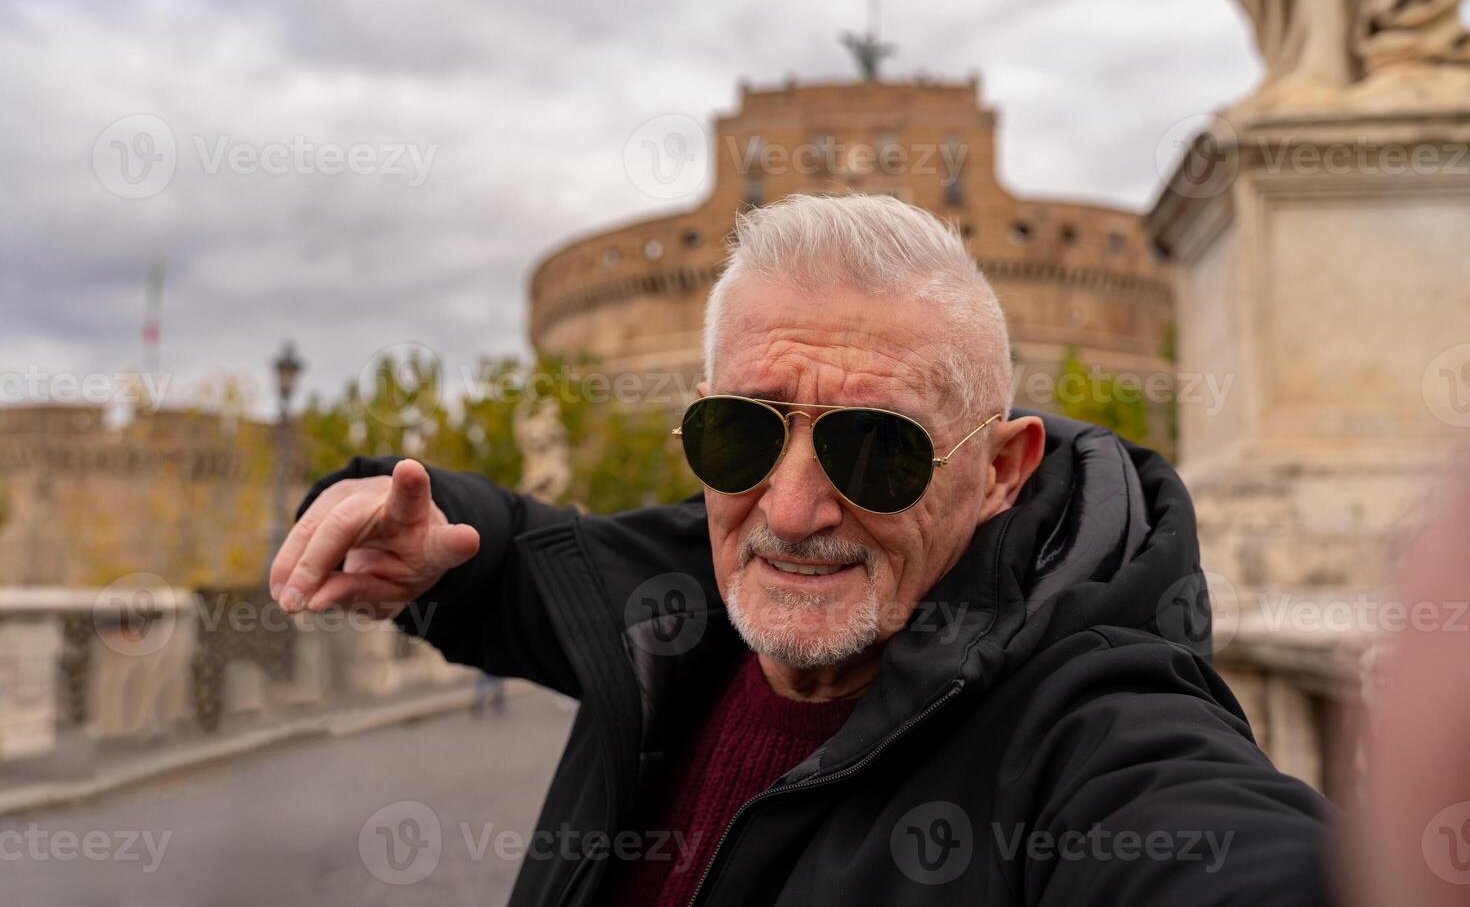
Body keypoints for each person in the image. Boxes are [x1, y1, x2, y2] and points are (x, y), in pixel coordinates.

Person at [270, 194, 1329, 905]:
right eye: (743, 432)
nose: (791, 508)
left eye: (877, 450)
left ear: (1002, 467)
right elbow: (519, 558)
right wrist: (392, 518)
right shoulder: (680, 604)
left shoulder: (1088, 723)